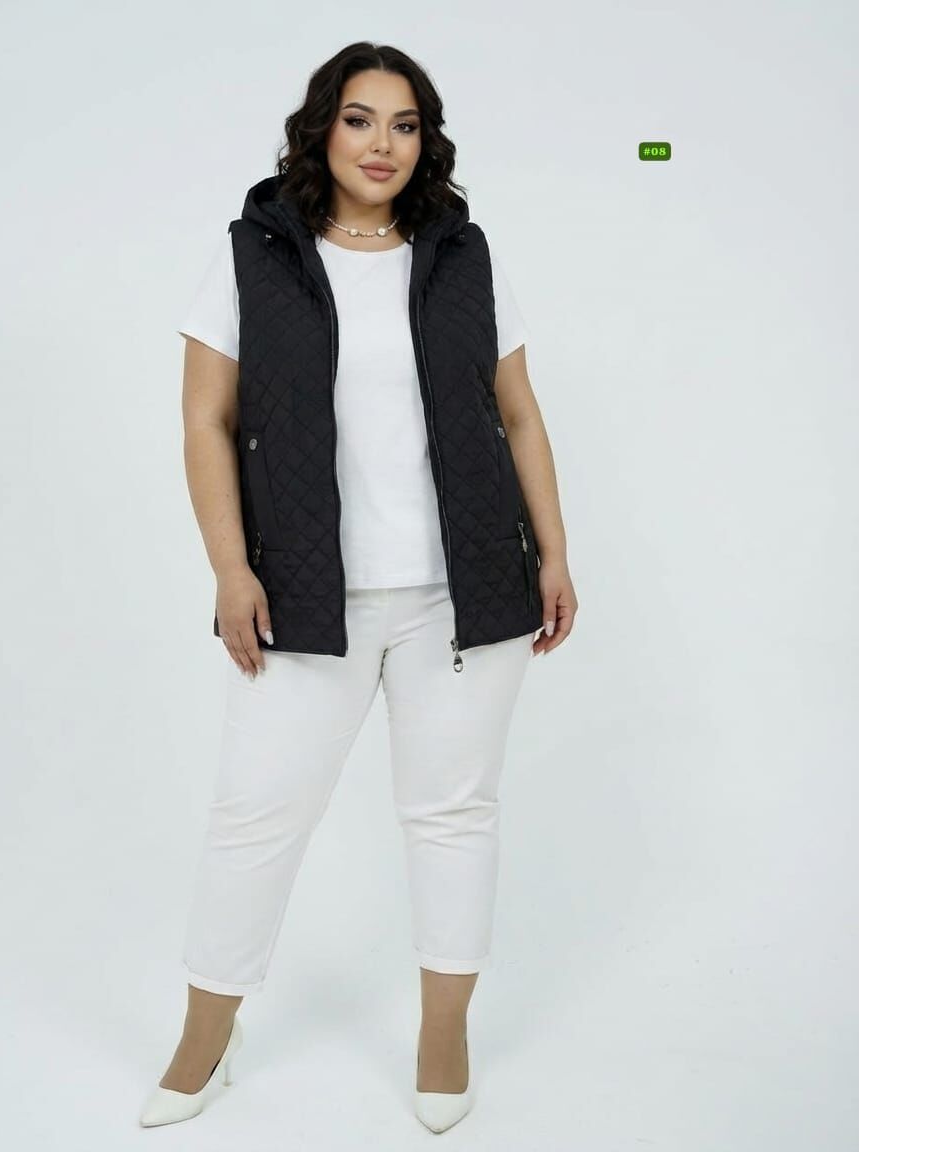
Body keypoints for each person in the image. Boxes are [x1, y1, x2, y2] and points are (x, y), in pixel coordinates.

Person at [141, 42, 578, 1134]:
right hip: (303, 594)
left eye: (405, 124)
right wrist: (230, 567)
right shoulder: (251, 255)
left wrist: (554, 553)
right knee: (255, 815)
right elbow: (204, 421)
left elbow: (519, 413)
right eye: (359, 119)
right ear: (321, 130)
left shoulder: (462, 255)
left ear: (426, 142)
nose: (382, 144)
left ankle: (444, 1032)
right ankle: (205, 1036)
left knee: (452, 815)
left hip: (461, 593)